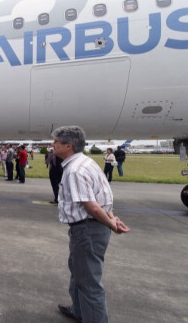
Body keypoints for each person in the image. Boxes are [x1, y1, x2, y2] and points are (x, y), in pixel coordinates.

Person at [52, 126, 130, 323]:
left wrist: (112, 223)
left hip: (88, 229)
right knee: (78, 271)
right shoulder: (86, 163)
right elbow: (103, 196)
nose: (52, 145)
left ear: (68, 146)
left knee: (89, 282)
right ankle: (79, 311)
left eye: (56, 143)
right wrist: (111, 218)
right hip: (91, 227)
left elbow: (93, 207)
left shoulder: (75, 171)